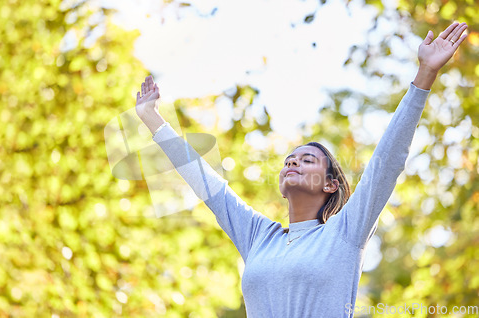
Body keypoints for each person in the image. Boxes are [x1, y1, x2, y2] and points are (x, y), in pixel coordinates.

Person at [135, 22, 468, 318]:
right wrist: (151, 116)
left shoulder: (345, 233)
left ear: (330, 185)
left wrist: (425, 75)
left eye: (307, 160)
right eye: (289, 160)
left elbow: (387, 162)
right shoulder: (257, 237)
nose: (292, 162)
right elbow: (206, 182)